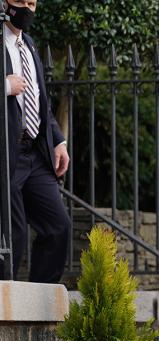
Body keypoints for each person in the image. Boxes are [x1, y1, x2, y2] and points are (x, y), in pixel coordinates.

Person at [0, 0, 70, 282]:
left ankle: (41, 298)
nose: (27, 8)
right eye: (21, 2)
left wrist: (57, 140)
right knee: (12, 233)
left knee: (58, 227)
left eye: (32, 2)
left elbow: (41, 101)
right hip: (6, 154)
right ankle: (6, 306)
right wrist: (5, 86)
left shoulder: (29, 44)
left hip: (35, 154)